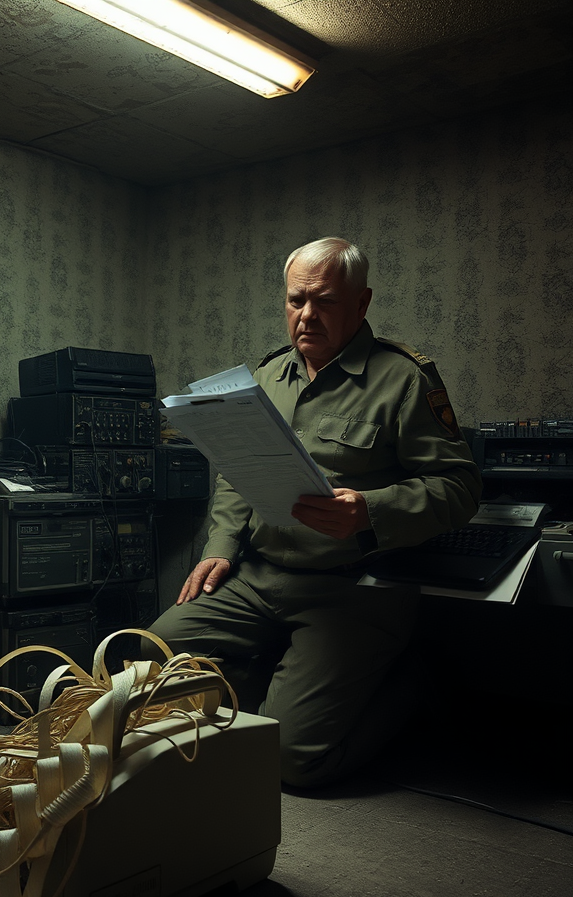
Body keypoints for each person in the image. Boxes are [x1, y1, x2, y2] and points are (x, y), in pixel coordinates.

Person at [147, 237, 481, 788]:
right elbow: (235, 471)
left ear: (361, 303)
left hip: (351, 587)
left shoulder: (403, 379)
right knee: (156, 645)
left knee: (291, 763)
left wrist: (370, 511)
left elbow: (462, 487)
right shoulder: (266, 377)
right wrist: (220, 549)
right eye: (296, 300)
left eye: (324, 301)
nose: (306, 316)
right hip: (260, 577)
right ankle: (283, 685)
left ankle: (411, 685)